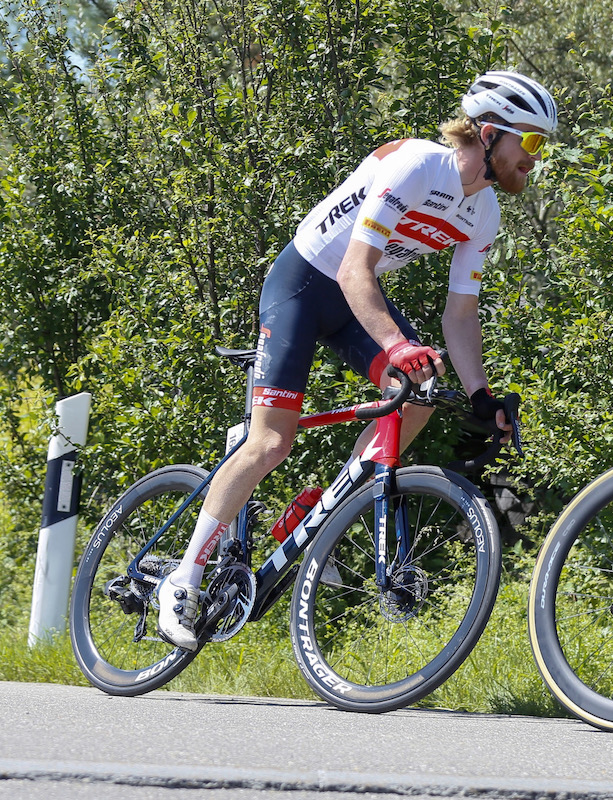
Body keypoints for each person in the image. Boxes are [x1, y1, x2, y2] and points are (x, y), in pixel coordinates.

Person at [157, 71, 558, 651]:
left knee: (417, 397)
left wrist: (480, 397)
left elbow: (460, 316)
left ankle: (329, 507)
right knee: (272, 443)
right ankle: (183, 579)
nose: (535, 160)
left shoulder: (484, 213)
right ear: (492, 134)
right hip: (304, 285)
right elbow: (353, 269)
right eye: (534, 143)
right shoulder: (418, 166)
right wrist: (397, 346)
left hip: (353, 301)